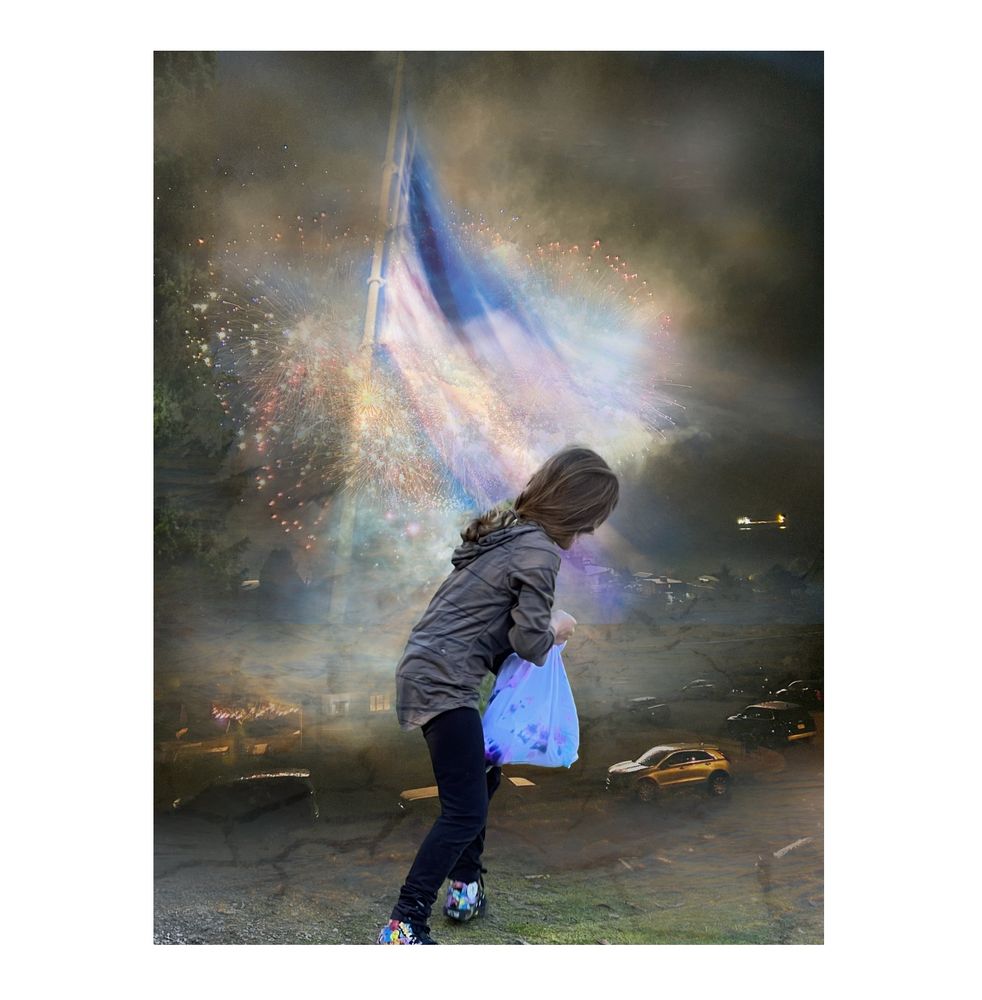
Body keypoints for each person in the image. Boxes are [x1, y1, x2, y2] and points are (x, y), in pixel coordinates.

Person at [377, 446, 619, 944]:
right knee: (464, 808)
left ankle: (464, 889)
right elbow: (529, 642)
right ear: (579, 510)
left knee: (481, 780)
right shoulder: (538, 551)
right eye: (593, 517)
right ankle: (404, 925)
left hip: (432, 669)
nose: (591, 531)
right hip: (445, 680)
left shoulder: (509, 536)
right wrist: (558, 625)